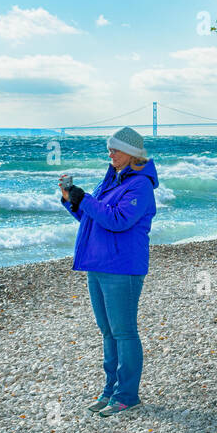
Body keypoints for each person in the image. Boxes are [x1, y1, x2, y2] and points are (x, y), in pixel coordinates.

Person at [59, 126, 158, 417]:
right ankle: (111, 390)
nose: (110, 153)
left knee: (124, 332)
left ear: (132, 154)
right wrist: (71, 201)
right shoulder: (111, 179)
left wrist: (85, 197)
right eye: (109, 149)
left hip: (122, 267)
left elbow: (117, 220)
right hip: (99, 264)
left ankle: (127, 395)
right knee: (107, 331)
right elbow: (92, 218)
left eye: (115, 149)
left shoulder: (139, 185)